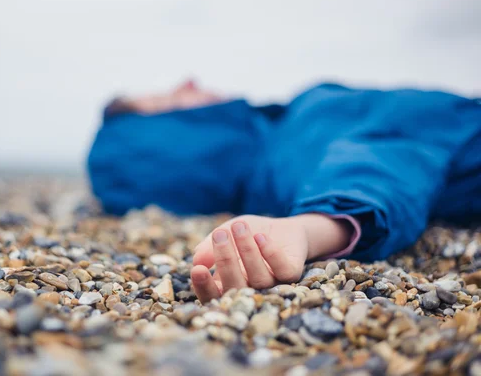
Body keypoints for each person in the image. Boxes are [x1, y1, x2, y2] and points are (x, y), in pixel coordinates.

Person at [88, 80, 481, 303]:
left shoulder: (279, 134)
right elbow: (375, 161)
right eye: (171, 99)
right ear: (175, 148)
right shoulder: (287, 150)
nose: (189, 82)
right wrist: (311, 228)